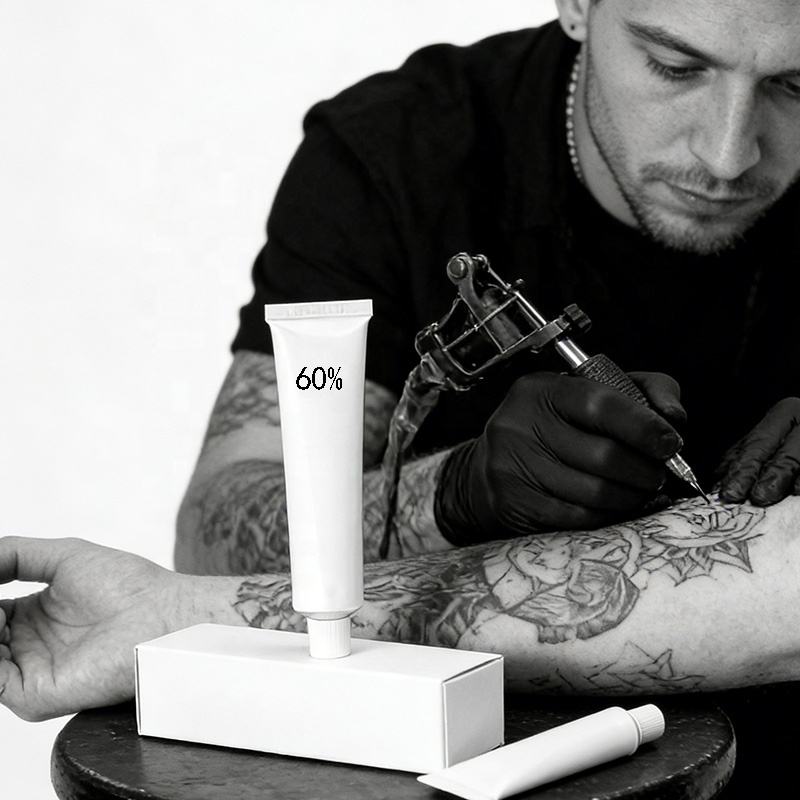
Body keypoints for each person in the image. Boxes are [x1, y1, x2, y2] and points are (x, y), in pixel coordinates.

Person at [2, 0, 800, 794]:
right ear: (578, 5)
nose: (729, 154)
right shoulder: (402, 151)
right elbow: (217, 530)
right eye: (674, 67)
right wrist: (452, 493)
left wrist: (177, 616)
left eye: (796, 85)